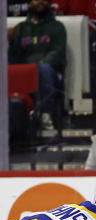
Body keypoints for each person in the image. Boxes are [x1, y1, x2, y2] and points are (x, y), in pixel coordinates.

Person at [8, 0, 66, 130]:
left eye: (44, 0)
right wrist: (11, 42)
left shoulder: (57, 27)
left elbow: (58, 53)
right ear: (29, 4)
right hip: (25, 71)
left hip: (51, 72)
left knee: (42, 69)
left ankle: (46, 114)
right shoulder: (20, 28)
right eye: (36, 0)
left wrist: (36, 67)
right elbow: (14, 56)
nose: (40, 2)